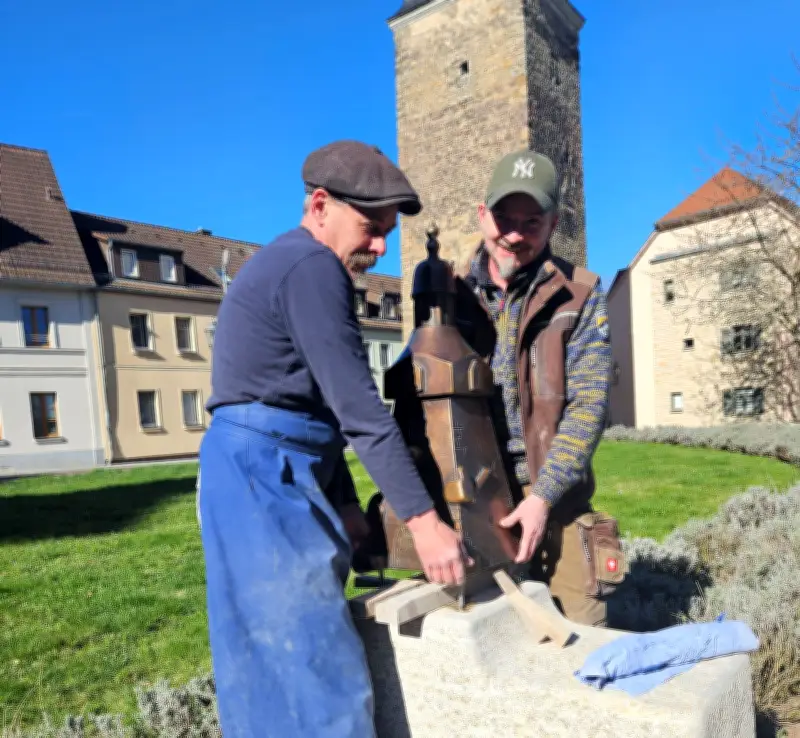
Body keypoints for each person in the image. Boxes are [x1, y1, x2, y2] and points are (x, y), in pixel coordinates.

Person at [197, 140, 474, 738]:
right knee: (317, 670)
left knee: (268, 663)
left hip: (262, 462)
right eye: (370, 228)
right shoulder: (312, 268)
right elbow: (357, 409)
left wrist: (347, 505)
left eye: (387, 234)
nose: (379, 247)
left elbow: (315, 405)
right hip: (264, 469)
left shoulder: (295, 263)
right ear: (320, 204)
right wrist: (426, 524)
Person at [451, 149, 623, 627]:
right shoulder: (450, 296)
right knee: (484, 637)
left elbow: (589, 405)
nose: (513, 235)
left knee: (582, 636)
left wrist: (543, 496)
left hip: (557, 498)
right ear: (482, 214)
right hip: (476, 497)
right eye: (503, 217)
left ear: (554, 223)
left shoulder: (581, 294)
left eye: (531, 222)